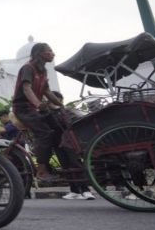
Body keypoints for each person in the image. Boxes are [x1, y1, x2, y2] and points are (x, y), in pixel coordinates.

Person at [11, 43, 94, 200]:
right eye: (49, 51)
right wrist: (37, 104)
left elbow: (47, 92)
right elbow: (27, 89)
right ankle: (41, 169)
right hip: (23, 108)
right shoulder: (28, 68)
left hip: (37, 108)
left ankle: (74, 184)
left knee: (61, 136)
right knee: (45, 133)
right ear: (39, 54)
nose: (53, 53)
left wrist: (62, 106)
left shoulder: (44, 71)